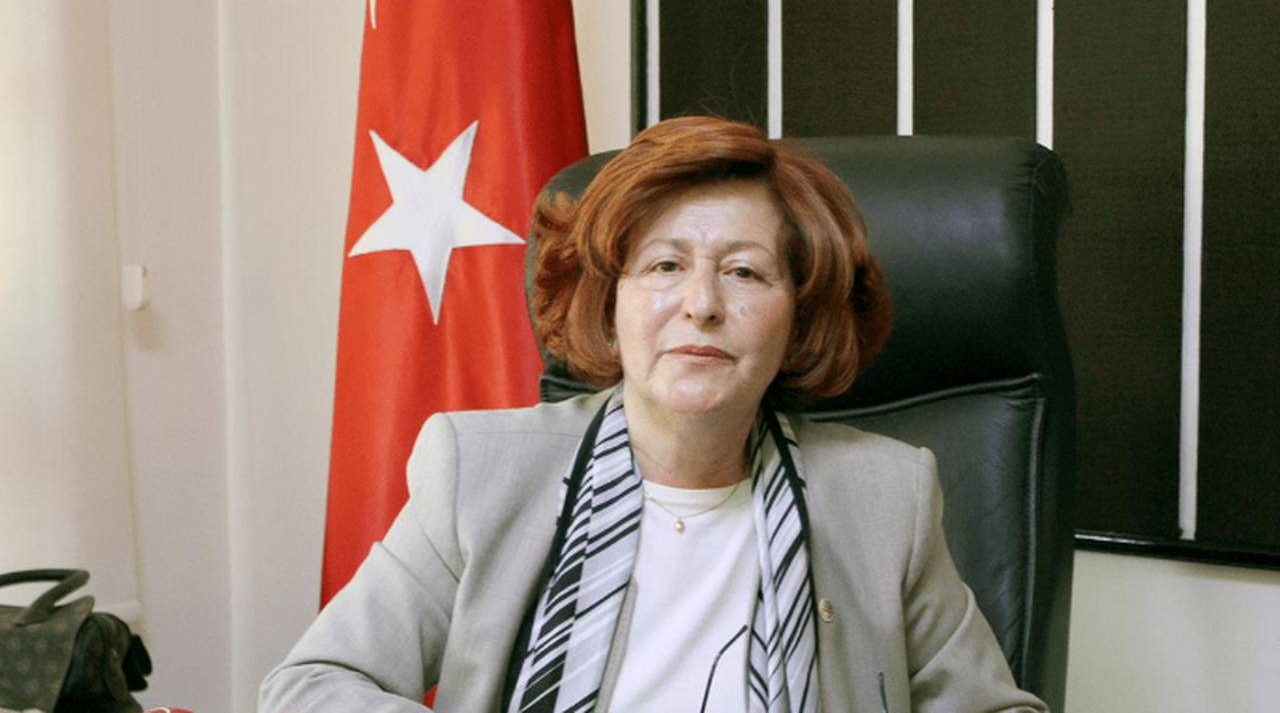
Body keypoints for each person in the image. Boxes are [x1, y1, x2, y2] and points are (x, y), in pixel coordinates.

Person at [259, 116, 1048, 712]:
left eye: (745, 273)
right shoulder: (483, 472)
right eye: (665, 265)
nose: (701, 304)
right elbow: (313, 684)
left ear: (798, 319)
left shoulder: (884, 495)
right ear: (610, 303)